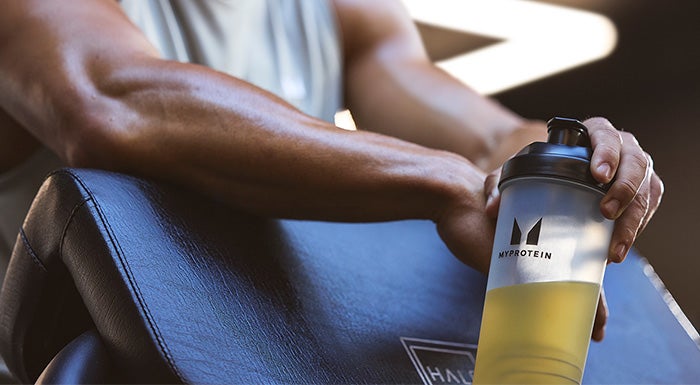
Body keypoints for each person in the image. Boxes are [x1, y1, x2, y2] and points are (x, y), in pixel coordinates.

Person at [0, 0, 662, 345]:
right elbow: (112, 100)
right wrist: (441, 181)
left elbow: (489, 138)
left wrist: (569, 164)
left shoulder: (342, 9)